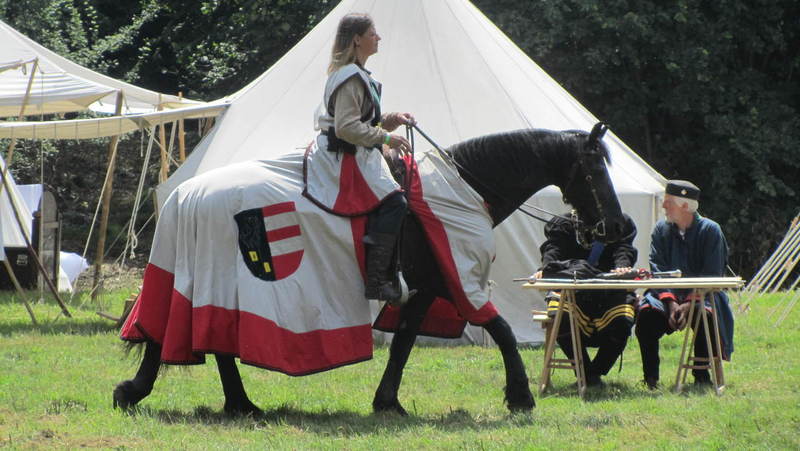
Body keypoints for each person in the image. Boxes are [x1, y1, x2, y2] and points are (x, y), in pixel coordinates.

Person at [304, 13, 415, 304]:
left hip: (357, 150)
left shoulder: (360, 75)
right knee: (396, 203)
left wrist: (393, 119)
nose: (378, 38)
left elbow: (366, 121)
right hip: (344, 155)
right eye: (372, 33)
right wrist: (386, 139)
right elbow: (347, 127)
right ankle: (376, 281)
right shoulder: (350, 77)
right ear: (357, 39)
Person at [635, 180, 735, 389]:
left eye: (669, 202)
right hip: (667, 295)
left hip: (703, 295)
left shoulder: (711, 230)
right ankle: (650, 378)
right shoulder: (661, 229)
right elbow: (658, 268)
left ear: (685, 206)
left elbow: (712, 273)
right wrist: (671, 302)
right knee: (646, 316)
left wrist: (690, 303)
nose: (664, 206)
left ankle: (701, 374)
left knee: (705, 315)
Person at [534, 212, 638, 387]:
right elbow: (553, 248)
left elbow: (623, 249)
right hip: (573, 292)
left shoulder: (619, 221)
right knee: (560, 317)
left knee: (622, 321)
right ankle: (587, 375)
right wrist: (546, 268)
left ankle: (595, 372)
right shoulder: (564, 224)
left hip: (608, 293)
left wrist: (622, 267)